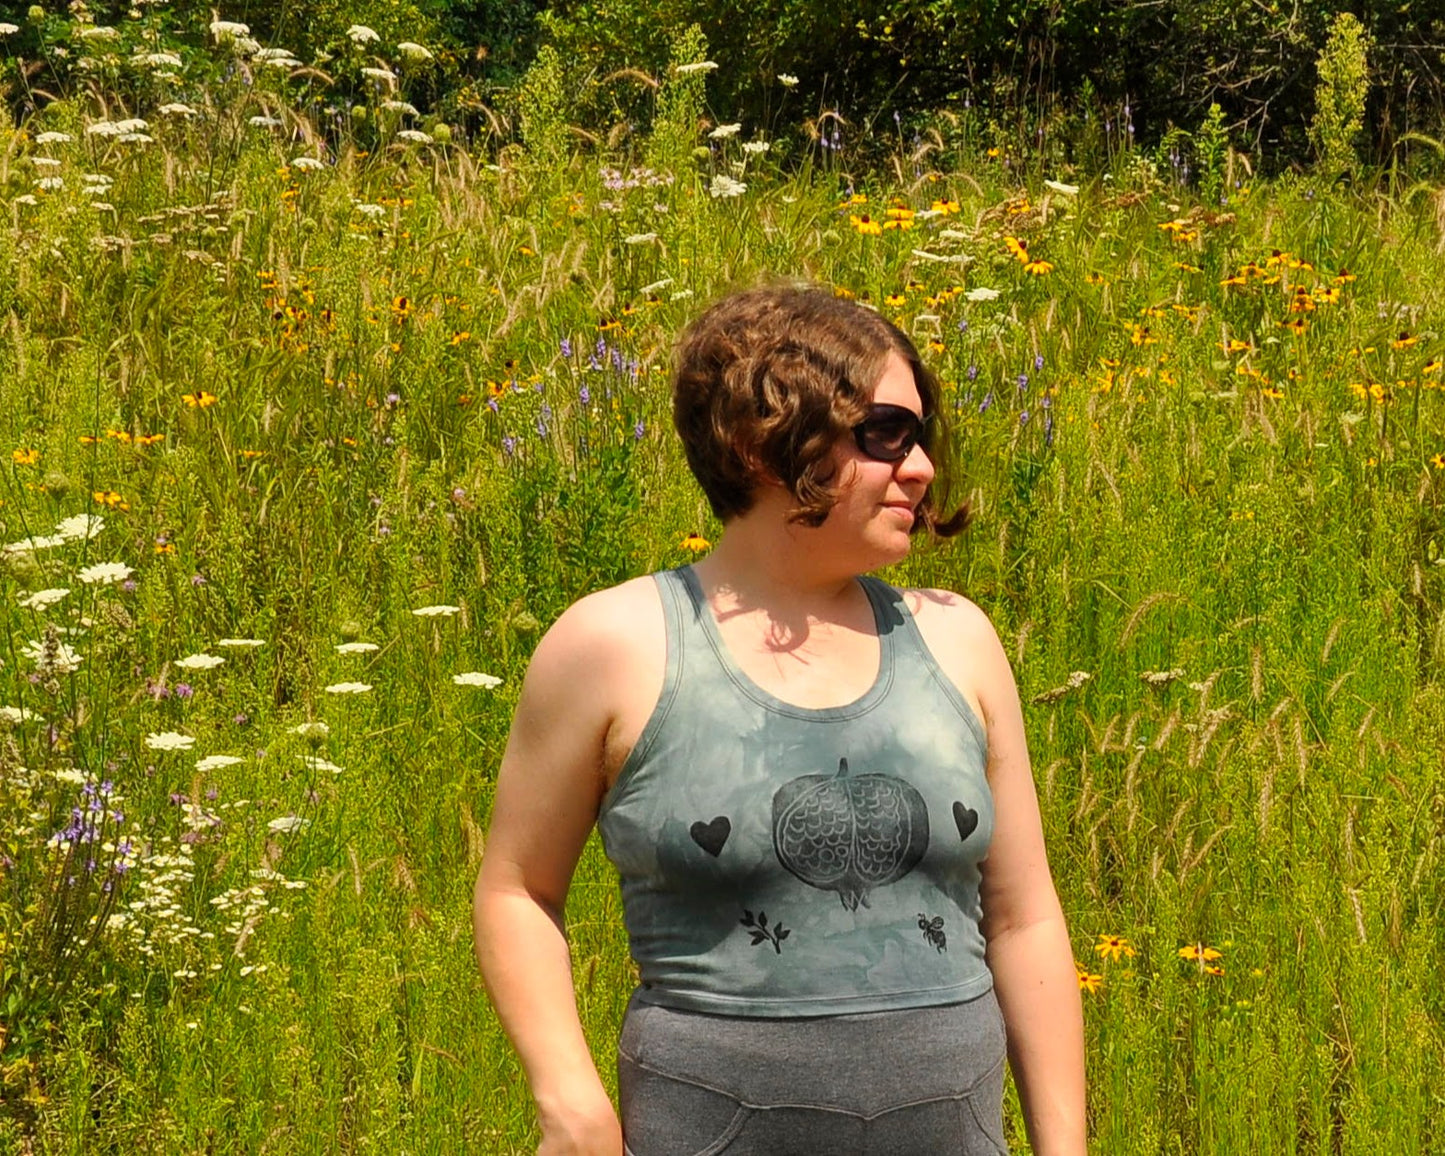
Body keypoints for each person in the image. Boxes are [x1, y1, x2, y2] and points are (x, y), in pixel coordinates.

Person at [474, 284, 1085, 1156]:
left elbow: (1024, 917)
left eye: (919, 438)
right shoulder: (614, 644)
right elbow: (517, 890)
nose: (919, 468)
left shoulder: (958, 639)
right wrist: (570, 1104)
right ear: (762, 439)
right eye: (884, 433)